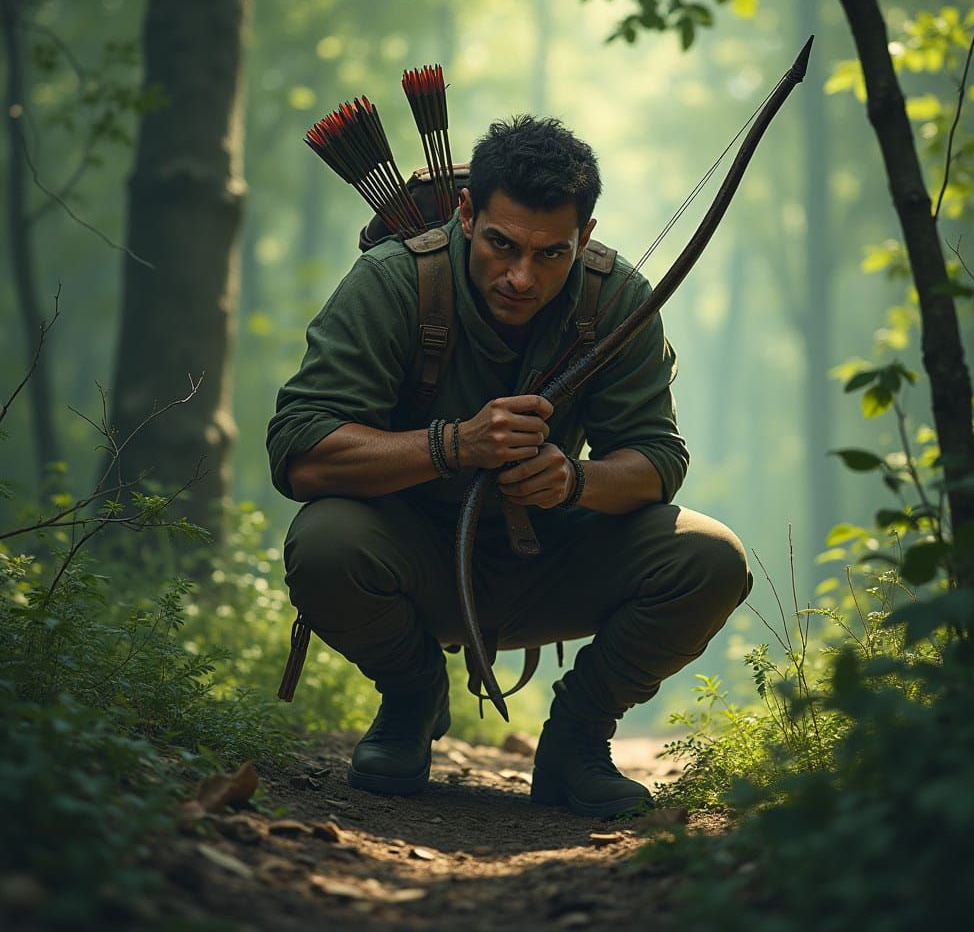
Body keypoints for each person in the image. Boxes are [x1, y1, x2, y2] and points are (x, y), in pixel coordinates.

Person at [267, 115, 752, 818]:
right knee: (324, 543)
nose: (522, 277)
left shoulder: (615, 297)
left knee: (711, 559)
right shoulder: (395, 281)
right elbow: (302, 452)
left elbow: (657, 458)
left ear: (584, 236)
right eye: (502, 245)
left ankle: (578, 738)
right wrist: (453, 445)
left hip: (552, 557)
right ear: (466, 215)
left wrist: (575, 481)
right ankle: (412, 697)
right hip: (413, 560)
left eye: (552, 254)